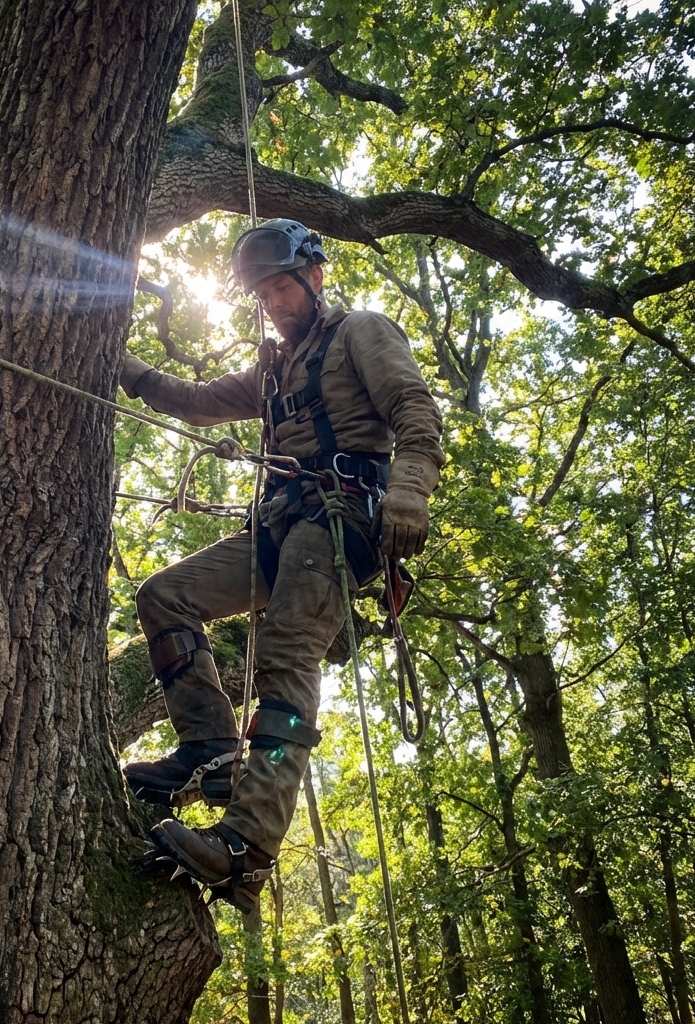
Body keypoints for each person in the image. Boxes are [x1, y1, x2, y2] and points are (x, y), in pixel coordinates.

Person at [119, 219, 444, 912]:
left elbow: (413, 407)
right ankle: (208, 748)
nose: (274, 304)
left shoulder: (360, 331)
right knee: (165, 596)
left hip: (340, 519)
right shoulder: (272, 371)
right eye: (263, 295)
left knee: (286, 653)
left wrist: (411, 490)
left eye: (282, 289)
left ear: (315, 276)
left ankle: (248, 847)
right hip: (278, 527)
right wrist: (127, 370)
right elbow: (199, 402)